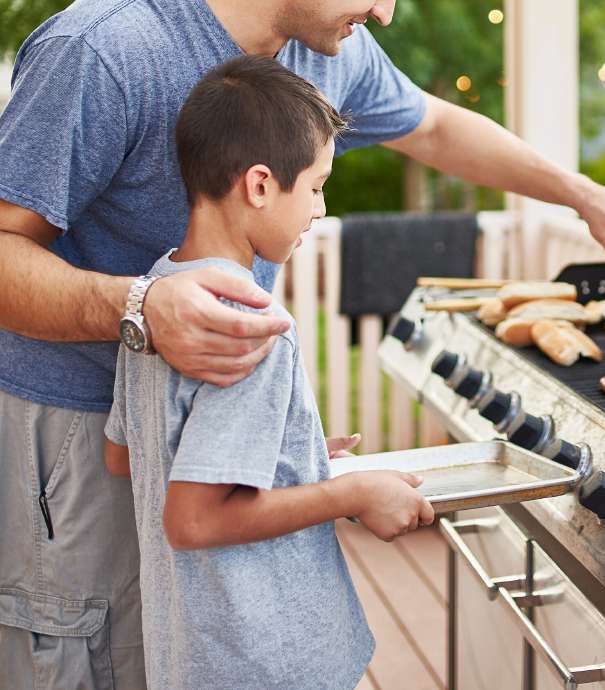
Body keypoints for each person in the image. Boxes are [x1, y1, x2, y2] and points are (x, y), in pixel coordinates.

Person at [0, 0, 605, 687]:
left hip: (175, 443)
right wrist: (140, 308)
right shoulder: (105, 49)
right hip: (68, 438)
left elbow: (436, 129)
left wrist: (584, 195)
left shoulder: (326, 47)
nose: (385, 11)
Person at [104, 55, 431, 690]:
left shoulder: (157, 295)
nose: (321, 209)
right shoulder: (252, 323)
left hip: (189, 654)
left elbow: (127, 455)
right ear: (259, 185)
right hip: (268, 659)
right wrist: (352, 493)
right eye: (315, 186)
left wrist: (290, 454)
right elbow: (193, 519)